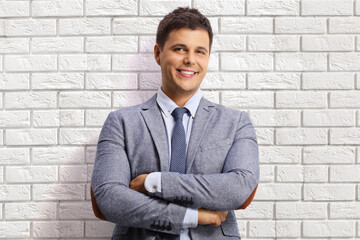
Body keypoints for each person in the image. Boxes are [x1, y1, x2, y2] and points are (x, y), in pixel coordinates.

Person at [91, 7, 259, 240]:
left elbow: (238, 188)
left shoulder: (236, 123)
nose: (190, 59)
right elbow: (109, 198)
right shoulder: (121, 123)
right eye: (180, 49)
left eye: (200, 51)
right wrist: (192, 216)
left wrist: (155, 182)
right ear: (158, 54)